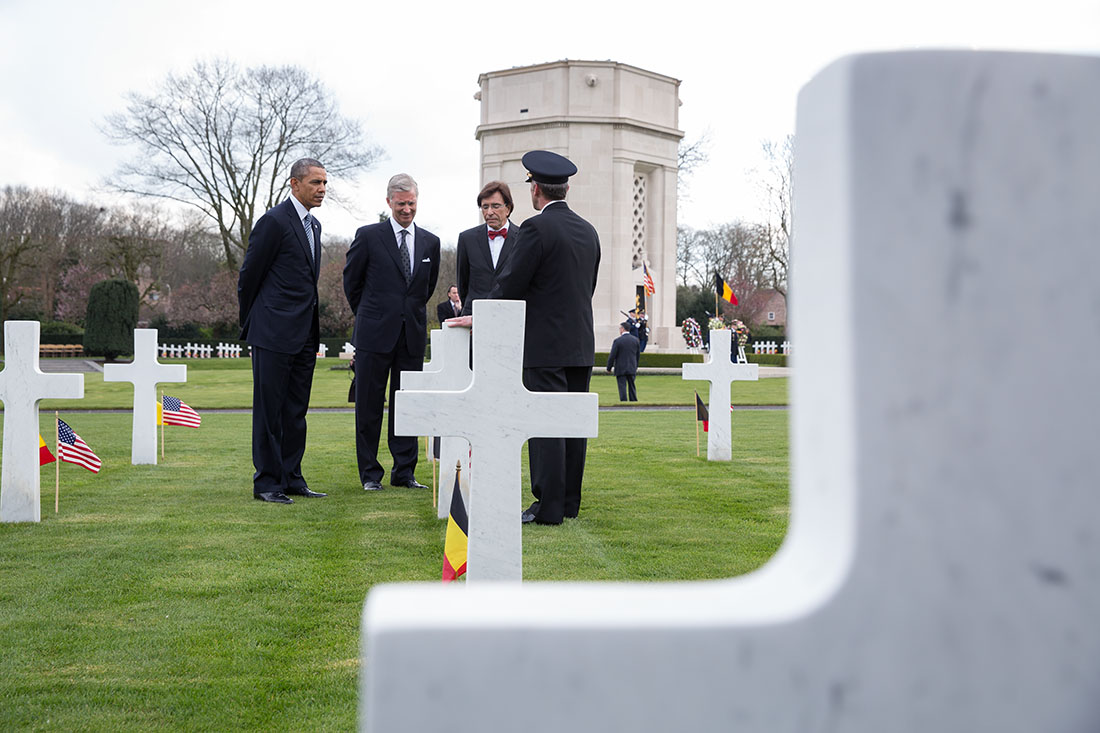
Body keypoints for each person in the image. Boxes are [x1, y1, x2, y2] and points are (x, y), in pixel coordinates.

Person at [489, 150, 601, 525]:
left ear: (535, 189)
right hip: (581, 344)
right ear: (565, 188)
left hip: (544, 346)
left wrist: (486, 310)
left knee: (545, 425)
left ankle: (548, 506)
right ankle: (569, 502)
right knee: (572, 426)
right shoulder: (589, 231)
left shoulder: (536, 228)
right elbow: (589, 286)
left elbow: (511, 284)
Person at [237, 158, 328, 504]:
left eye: (324, 184)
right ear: (294, 183)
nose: (321, 189)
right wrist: (255, 322)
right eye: (315, 183)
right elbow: (249, 277)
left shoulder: (314, 227)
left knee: (295, 411)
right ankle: (267, 483)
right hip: (272, 332)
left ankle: (292, 478)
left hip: (305, 334)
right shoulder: (273, 222)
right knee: (269, 411)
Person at [343, 174, 440, 491]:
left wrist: (405, 315)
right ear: (389, 203)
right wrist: (372, 315)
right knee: (369, 406)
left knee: (407, 406)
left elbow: (424, 289)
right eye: (401, 204)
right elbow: (352, 284)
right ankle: (370, 474)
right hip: (373, 335)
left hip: (410, 335)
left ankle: (404, 472)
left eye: (412, 203)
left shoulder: (430, 242)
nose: (407, 210)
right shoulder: (369, 236)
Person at [456, 180, 518, 316]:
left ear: (508, 208)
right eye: (485, 207)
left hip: (511, 316)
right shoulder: (467, 238)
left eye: (495, 206)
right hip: (473, 317)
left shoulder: (523, 238)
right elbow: (463, 284)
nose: (489, 212)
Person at [606, 322, 640, 401]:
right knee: (632, 385)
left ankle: (623, 400)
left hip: (621, 367)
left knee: (622, 386)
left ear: (622, 329)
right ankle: (633, 400)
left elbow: (612, 355)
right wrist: (635, 366)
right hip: (632, 366)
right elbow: (637, 355)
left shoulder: (618, 341)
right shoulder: (635, 340)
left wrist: (609, 367)